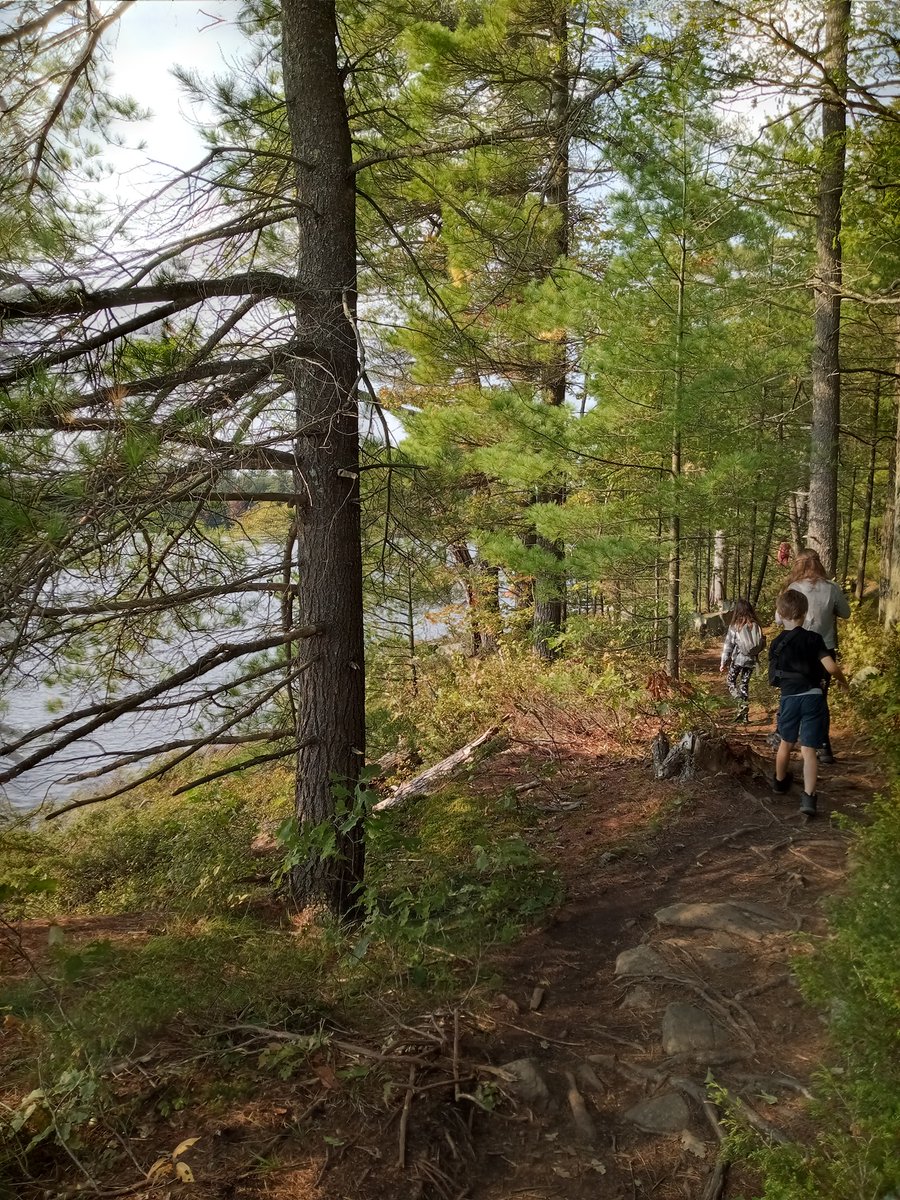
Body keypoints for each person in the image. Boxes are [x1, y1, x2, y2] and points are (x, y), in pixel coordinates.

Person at [770, 589, 848, 818]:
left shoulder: (776, 643)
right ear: (804, 613)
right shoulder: (814, 639)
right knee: (809, 750)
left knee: (785, 743)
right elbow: (831, 667)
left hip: (789, 699)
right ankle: (808, 798)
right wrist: (844, 682)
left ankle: (780, 782)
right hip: (813, 698)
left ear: (780, 613)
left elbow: (775, 675)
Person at [776, 548, 851, 763]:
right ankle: (824, 746)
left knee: (792, 695)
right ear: (819, 564)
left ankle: (786, 738)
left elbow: (779, 620)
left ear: (797, 565)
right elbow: (846, 613)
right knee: (819, 698)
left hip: (795, 649)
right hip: (824, 650)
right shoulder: (832, 588)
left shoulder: (793, 588)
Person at [719, 598, 766, 723]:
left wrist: (723, 662)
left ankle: (741, 702)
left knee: (730, 682)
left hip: (738, 660)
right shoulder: (755, 624)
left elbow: (728, 645)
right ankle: (744, 716)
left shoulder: (735, 626)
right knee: (744, 684)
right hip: (751, 661)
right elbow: (762, 643)